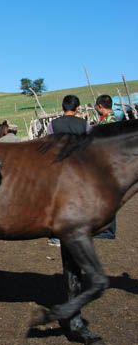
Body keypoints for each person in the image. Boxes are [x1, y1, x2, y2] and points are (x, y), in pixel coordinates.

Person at [46, 95, 90, 246]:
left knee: (59, 203)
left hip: (59, 169)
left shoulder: (53, 124)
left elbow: (49, 145)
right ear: (77, 108)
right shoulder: (84, 124)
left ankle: (57, 237)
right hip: (80, 168)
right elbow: (90, 146)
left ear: (63, 107)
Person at [93, 94, 117, 239]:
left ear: (100, 106)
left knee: (109, 197)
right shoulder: (106, 120)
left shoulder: (110, 121)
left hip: (108, 164)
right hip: (104, 163)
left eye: (96, 106)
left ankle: (108, 230)